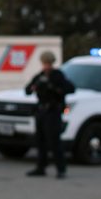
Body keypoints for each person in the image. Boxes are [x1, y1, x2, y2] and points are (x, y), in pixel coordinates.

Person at [25, 51, 76, 179]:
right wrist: (34, 87)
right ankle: (41, 167)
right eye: (44, 63)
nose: (46, 66)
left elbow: (70, 88)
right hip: (41, 111)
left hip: (53, 112)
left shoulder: (58, 75)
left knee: (54, 141)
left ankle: (61, 169)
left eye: (48, 63)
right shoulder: (40, 76)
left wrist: (53, 87)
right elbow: (27, 90)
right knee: (40, 141)